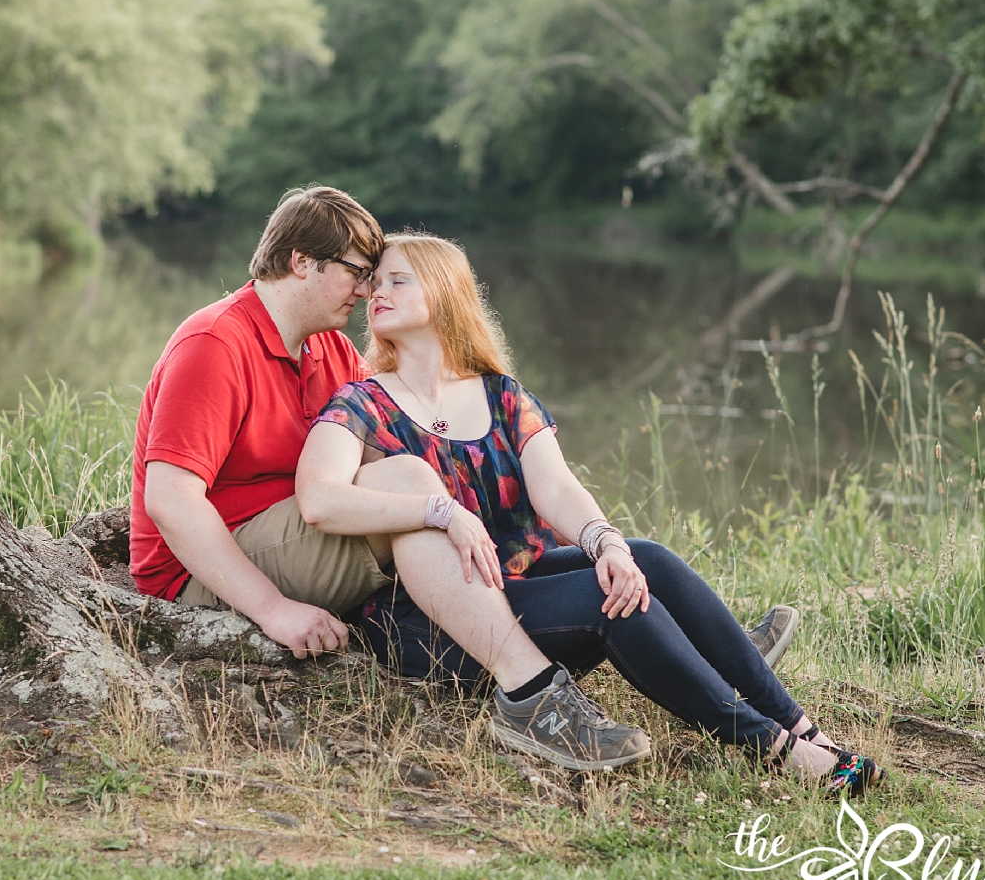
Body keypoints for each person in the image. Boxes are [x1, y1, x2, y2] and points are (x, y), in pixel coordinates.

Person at [129, 186, 802, 770]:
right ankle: (529, 692)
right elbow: (172, 501)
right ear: (300, 262)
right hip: (205, 571)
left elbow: (399, 430)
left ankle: (711, 651)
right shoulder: (216, 342)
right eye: (358, 273)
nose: (367, 291)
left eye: (381, 277)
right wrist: (273, 610)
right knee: (408, 488)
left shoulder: (331, 351)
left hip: (312, 543)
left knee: (630, 556)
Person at [293, 232, 881, 796]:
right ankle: (775, 750)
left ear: (445, 293)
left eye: (397, 280)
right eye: (374, 284)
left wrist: (608, 544)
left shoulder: (501, 395)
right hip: (432, 621)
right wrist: (438, 510)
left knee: (644, 560)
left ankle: (806, 730)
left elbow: (557, 488)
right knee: (613, 604)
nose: (376, 294)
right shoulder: (362, 402)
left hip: (514, 582)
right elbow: (318, 498)